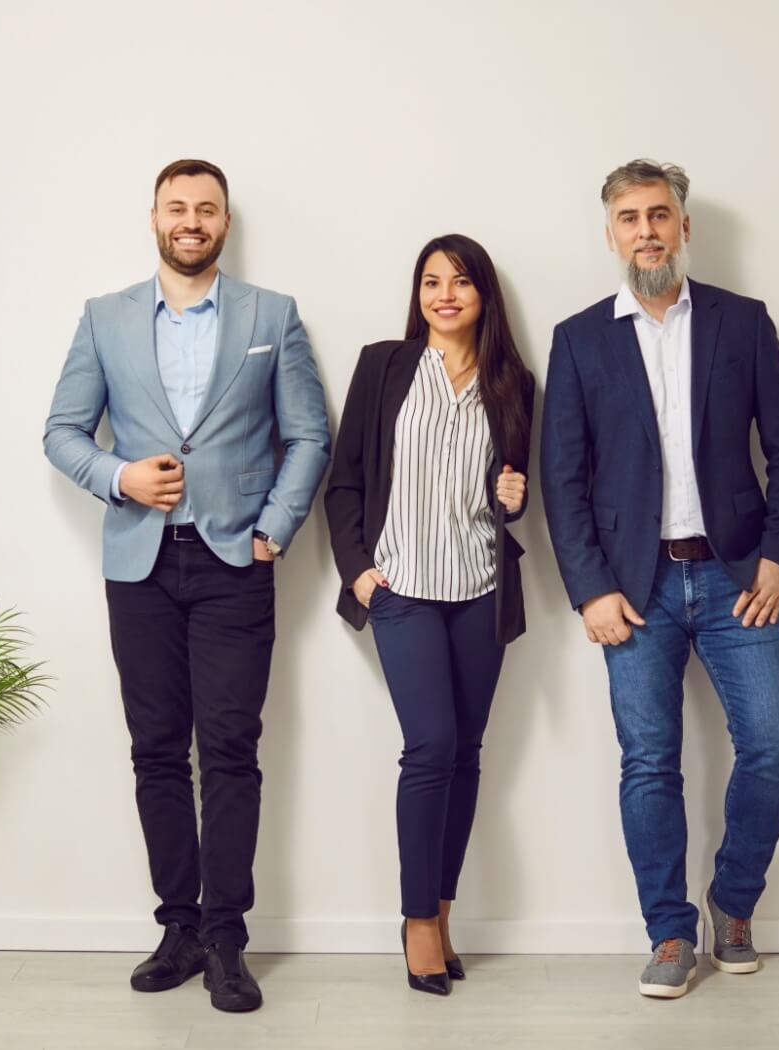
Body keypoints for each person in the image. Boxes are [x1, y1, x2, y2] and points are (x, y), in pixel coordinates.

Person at [42, 158, 330, 1013]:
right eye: (178, 208)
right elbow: (60, 431)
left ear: (225, 224)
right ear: (156, 219)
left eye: (207, 208)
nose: (192, 220)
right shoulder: (105, 318)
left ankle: (227, 935)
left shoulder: (270, 316)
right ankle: (177, 927)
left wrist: (274, 528)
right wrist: (120, 476)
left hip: (236, 564)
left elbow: (309, 433)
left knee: (232, 752)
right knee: (158, 749)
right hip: (140, 563)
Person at [540, 159, 779, 999]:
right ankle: (668, 931)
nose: (647, 229)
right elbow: (562, 475)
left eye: (660, 214)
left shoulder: (743, 323)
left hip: (735, 579)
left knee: (773, 743)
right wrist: (589, 589)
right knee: (649, 760)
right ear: (612, 233)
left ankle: (732, 904)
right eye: (630, 217)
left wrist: (778, 555)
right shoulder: (580, 338)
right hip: (636, 588)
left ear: (685, 227)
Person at [325, 233, 534, 996]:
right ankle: (416, 921)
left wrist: (512, 498)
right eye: (431, 281)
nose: (444, 294)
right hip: (404, 590)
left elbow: (509, 492)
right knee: (431, 746)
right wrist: (362, 574)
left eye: (460, 282)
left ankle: (443, 912)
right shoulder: (384, 367)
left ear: (484, 295)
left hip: (479, 589)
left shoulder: (515, 384)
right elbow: (343, 482)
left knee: (467, 752)